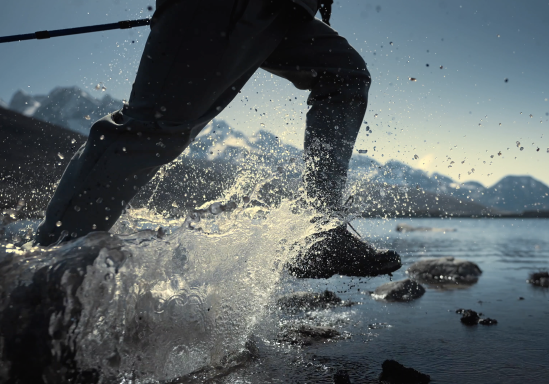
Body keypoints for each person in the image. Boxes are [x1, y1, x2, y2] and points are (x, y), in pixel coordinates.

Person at [34, 0, 401, 278]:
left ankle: (319, 228)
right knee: (153, 131)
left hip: (283, 10)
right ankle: (52, 268)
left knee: (345, 75)